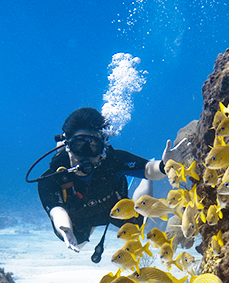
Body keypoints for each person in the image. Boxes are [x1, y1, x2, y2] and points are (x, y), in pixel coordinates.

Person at [37, 107, 185, 253]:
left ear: (103, 148)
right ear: (68, 146)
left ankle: (144, 182)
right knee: (77, 241)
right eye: (79, 145)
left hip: (115, 207)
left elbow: (148, 169)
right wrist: (66, 230)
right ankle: (87, 228)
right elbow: (57, 210)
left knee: (137, 225)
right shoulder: (52, 176)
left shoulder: (111, 160)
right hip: (81, 213)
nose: (85, 155)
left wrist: (165, 165)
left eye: (94, 146)